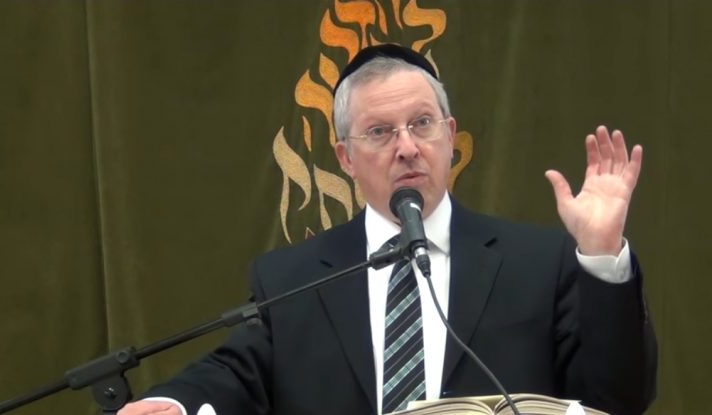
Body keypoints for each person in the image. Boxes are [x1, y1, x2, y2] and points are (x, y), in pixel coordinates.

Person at [118, 44, 657, 415]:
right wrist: (174, 404)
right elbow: (234, 373)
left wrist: (602, 255)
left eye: (422, 124)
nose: (407, 147)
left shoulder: (538, 263)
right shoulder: (293, 279)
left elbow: (619, 400)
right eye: (379, 132)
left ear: (449, 135)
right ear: (345, 158)